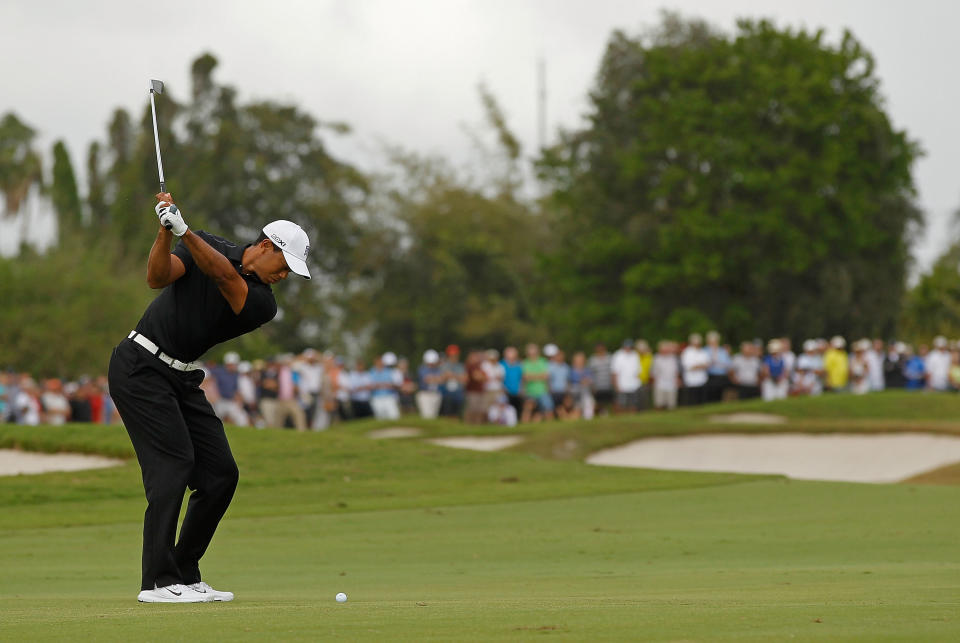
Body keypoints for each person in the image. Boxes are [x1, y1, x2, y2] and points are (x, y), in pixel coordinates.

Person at [107, 192, 311, 603]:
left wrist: (184, 230)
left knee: (221, 474)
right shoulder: (208, 243)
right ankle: (159, 582)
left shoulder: (262, 304)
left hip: (180, 378)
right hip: (140, 366)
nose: (285, 276)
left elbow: (226, 279)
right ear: (267, 247)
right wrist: (166, 232)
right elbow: (157, 278)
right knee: (174, 463)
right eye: (285, 265)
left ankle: (184, 570)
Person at [610, 339, 642, 413]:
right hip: (622, 385)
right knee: (621, 404)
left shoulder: (635, 355)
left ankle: (632, 418)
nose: (628, 348)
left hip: (634, 385)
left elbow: (638, 371)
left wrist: (638, 383)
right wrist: (616, 385)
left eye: (629, 346)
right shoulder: (618, 355)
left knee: (633, 403)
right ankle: (620, 419)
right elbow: (614, 372)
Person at [680, 333, 709, 405]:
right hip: (691, 380)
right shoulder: (687, 352)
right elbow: (688, 366)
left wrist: (697, 366)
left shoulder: (703, 352)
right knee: (692, 398)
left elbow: (707, 364)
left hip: (702, 378)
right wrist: (700, 366)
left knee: (701, 398)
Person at [651, 341, 681, 410]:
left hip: (671, 383)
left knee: (671, 404)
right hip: (660, 384)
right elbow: (654, 372)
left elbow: (675, 371)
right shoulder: (657, 358)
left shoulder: (672, 358)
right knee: (659, 403)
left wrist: (677, 379)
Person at [416, 349, 444, 419]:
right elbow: (427, 379)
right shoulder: (421, 368)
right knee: (426, 416)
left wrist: (435, 379)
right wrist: (437, 379)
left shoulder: (438, 369)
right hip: (424, 394)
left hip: (436, 394)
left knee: (434, 416)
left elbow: (442, 380)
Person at [587, 343, 614, 415]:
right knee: (598, 403)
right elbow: (590, 374)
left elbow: (613, 371)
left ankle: (609, 414)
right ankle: (598, 414)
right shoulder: (592, 360)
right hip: (598, 386)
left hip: (608, 385)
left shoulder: (610, 358)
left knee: (610, 402)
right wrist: (592, 386)